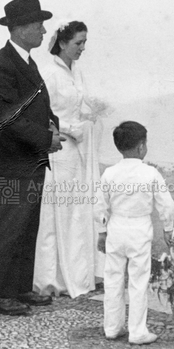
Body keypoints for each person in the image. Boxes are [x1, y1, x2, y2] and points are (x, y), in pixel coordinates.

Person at [0, 0, 63, 316]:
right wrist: (47, 138)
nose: (44, 31)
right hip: (14, 161)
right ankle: (1, 294)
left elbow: (40, 106)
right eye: (37, 25)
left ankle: (19, 286)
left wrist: (53, 128)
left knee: (27, 226)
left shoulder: (26, 62)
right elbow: (9, 118)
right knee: (9, 228)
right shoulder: (1, 66)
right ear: (19, 29)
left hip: (30, 160)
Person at [34, 20, 107, 298]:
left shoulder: (76, 73)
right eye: (78, 43)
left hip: (78, 151)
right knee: (56, 214)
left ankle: (76, 273)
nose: (82, 48)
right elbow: (43, 114)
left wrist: (90, 118)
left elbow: (81, 105)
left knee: (76, 213)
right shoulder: (49, 74)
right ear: (62, 43)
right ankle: (51, 278)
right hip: (59, 148)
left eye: (85, 43)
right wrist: (70, 128)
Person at [95, 121, 174, 345]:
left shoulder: (109, 173)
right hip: (139, 230)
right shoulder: (150, 173)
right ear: (142, 146)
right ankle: (137, 331)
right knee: (138, 281)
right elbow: (166, 205)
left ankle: (112, 327)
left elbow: (99, 205)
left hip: (116, 228)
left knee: (113, 278)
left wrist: (102, 231)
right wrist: (168, 228)